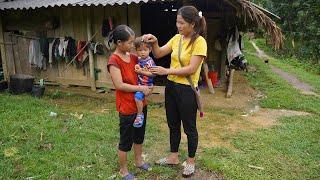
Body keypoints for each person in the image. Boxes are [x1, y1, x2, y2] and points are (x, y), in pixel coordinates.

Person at [142, 5, 207, 178]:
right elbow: (159, 53)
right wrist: (154, 42)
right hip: (171, 87)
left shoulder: (200, 42)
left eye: (181, 23)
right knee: (172, 124)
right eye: (177, 22)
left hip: (187, 89)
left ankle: (191, 161)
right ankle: (173, 157)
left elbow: (191, 69)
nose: (178, 26)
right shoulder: (177, 38)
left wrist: (166, 71)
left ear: (192, 24)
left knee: (189, 127)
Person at [107, 25, 152, 180]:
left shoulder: (133, 57)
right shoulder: (114, 61)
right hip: (126, 106)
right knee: (126, 140)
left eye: (133, 42)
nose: (132, 46)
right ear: (119, 42)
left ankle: (139, 161)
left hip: (140, 104)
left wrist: (148, 84)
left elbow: (145, 70)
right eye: (130, 43)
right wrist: (140, 87)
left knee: (139, 135)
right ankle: (124, 170)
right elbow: (119, 85)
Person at [133, 37, 156, 128]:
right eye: (140, 50)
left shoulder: (150, 62)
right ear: (136, 51)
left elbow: (153, 74)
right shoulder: (139, 59)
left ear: (150, 50)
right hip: (140, 84)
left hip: (146, 85)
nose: (142, 52)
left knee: (137, 98)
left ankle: (140, 115)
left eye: (145, 50)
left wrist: (141, 72)